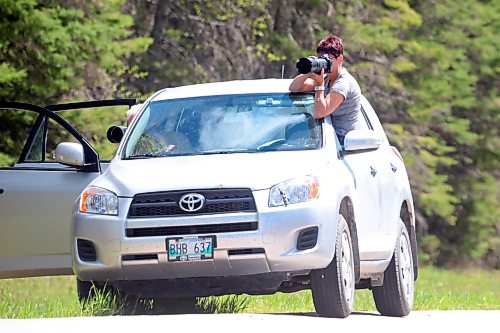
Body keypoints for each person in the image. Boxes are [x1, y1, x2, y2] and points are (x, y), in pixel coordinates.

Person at [289, 34, 361, 145]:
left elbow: (320, 112)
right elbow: (294, 88)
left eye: (329, 59)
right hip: (324, 137)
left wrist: (319, 86)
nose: (325, 63)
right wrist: (309, 70)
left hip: (342, 144)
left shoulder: (343, 83)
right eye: (322, 59)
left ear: (340, 59)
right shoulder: (326, 78)